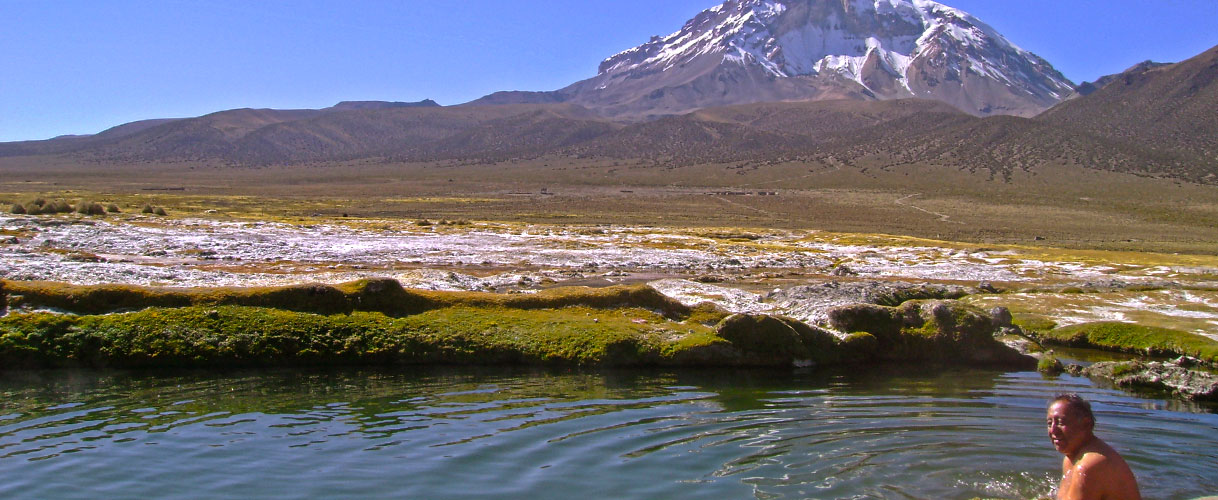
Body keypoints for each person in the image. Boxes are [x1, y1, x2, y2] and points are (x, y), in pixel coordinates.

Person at [1046, 394, 1141, 500]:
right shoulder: (1070, 457)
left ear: (1086, 424)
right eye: (1050, 423)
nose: (1053, 430)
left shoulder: (1089, 466)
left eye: (1061, 422)